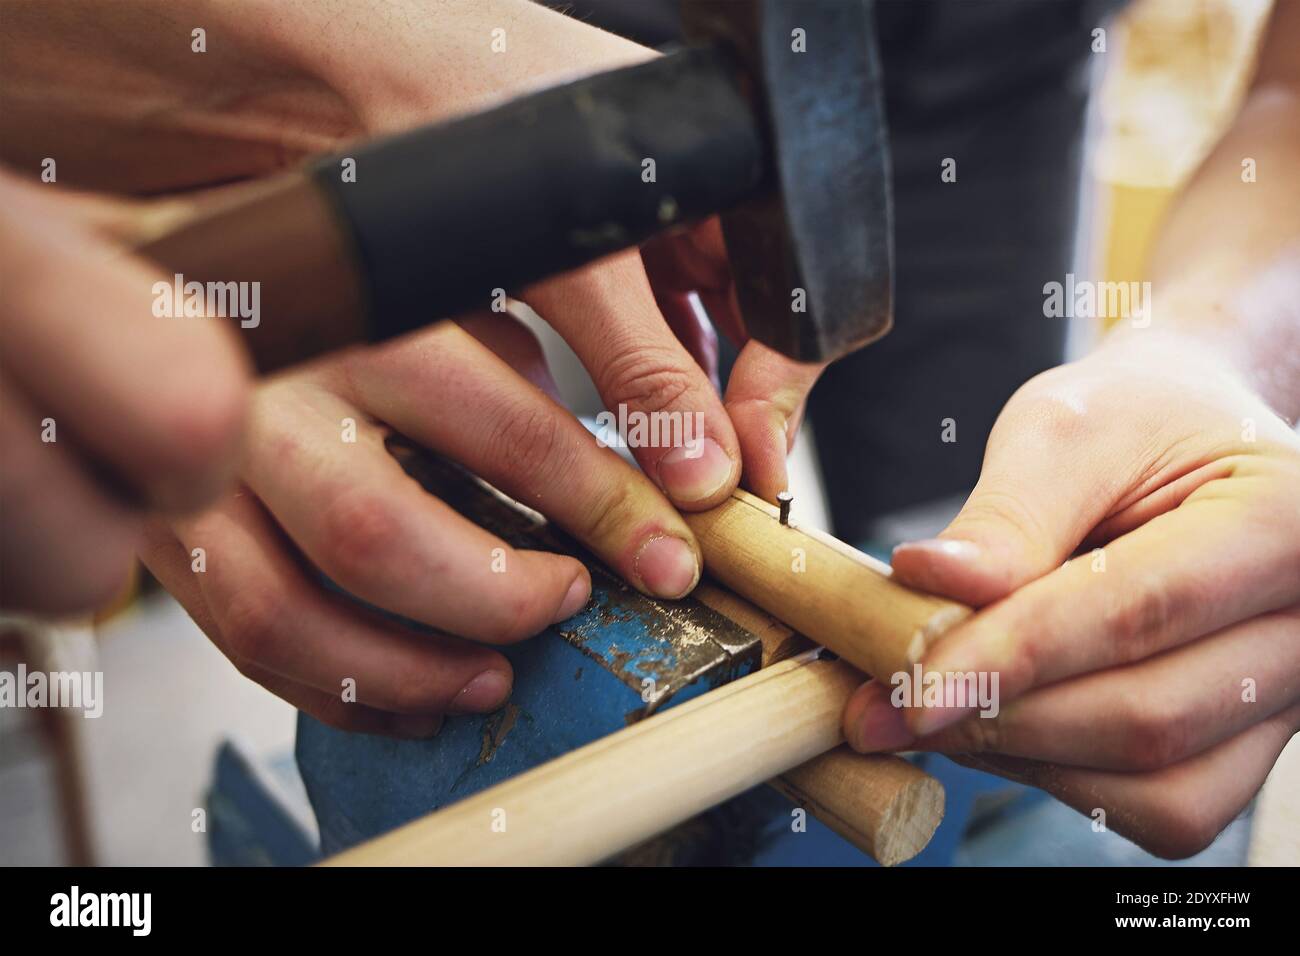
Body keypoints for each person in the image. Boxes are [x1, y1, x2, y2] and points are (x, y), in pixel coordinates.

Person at [2, 0, 1297, 859]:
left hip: (989, 67)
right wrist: (238, 99)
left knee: (994, 609)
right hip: (524, 85)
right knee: (466, 550)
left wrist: (1217, 348)